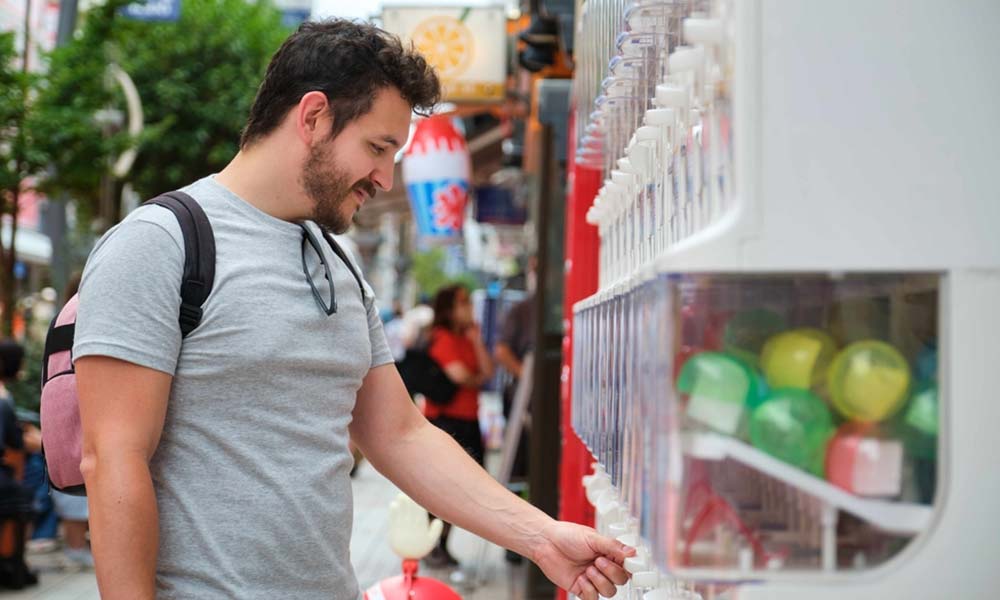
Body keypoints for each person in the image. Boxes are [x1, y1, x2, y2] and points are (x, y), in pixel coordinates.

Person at [74, 19, 632, 600]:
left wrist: (540, 537)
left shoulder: (336, 259)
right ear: (313, 117)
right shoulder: (158, 244)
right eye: (377, 147)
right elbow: (112, 460)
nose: (385, 177)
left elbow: (399, 434)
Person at [422, 284, 494, 568]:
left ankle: (442, 543)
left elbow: (487, 373)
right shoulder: (441, 338)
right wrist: (475, 378)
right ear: (449, 308)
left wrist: (476, 341)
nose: (468, 308)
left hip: (469, 420)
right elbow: (462, 377)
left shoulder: (466, 339)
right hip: (445, 422)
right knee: (441, 486)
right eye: (463, 302)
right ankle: (432, 543)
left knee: (463, 487)